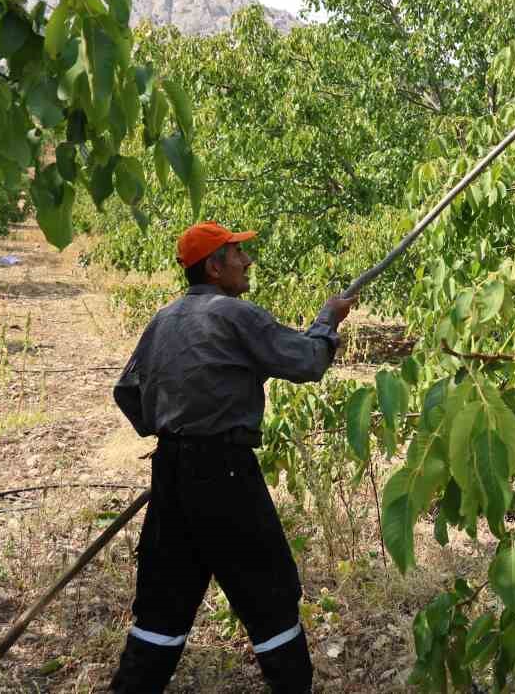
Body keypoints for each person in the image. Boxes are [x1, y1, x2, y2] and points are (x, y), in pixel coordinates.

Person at [108, 221, 356, 693]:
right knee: (269, 593)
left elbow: (127, 391)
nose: (248, 262)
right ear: (214, 267)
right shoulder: (235, 314)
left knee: (163, 601)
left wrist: (172, 432)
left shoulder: (164, 320)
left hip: (172, 473)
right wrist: (328, 321)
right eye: (237, 253)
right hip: (225, 473)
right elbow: (306, 361)